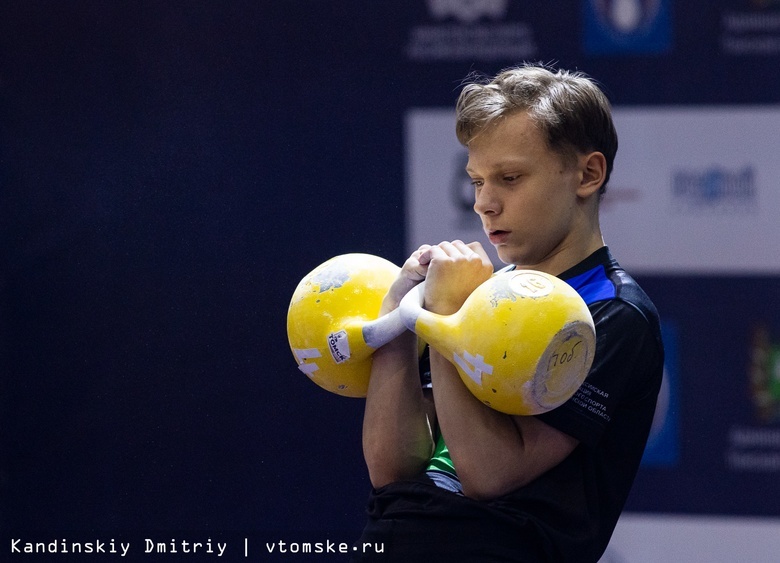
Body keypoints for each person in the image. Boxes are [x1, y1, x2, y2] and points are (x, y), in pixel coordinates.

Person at [353, 64, 664, 562]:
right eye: (476, 181)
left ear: (588, 174)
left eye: (510, 178)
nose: (484, 204)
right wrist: (399, 317)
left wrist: (445, 315)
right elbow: (391, 469)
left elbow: (489, 474)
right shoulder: (480, 294)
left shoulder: (612, 313)